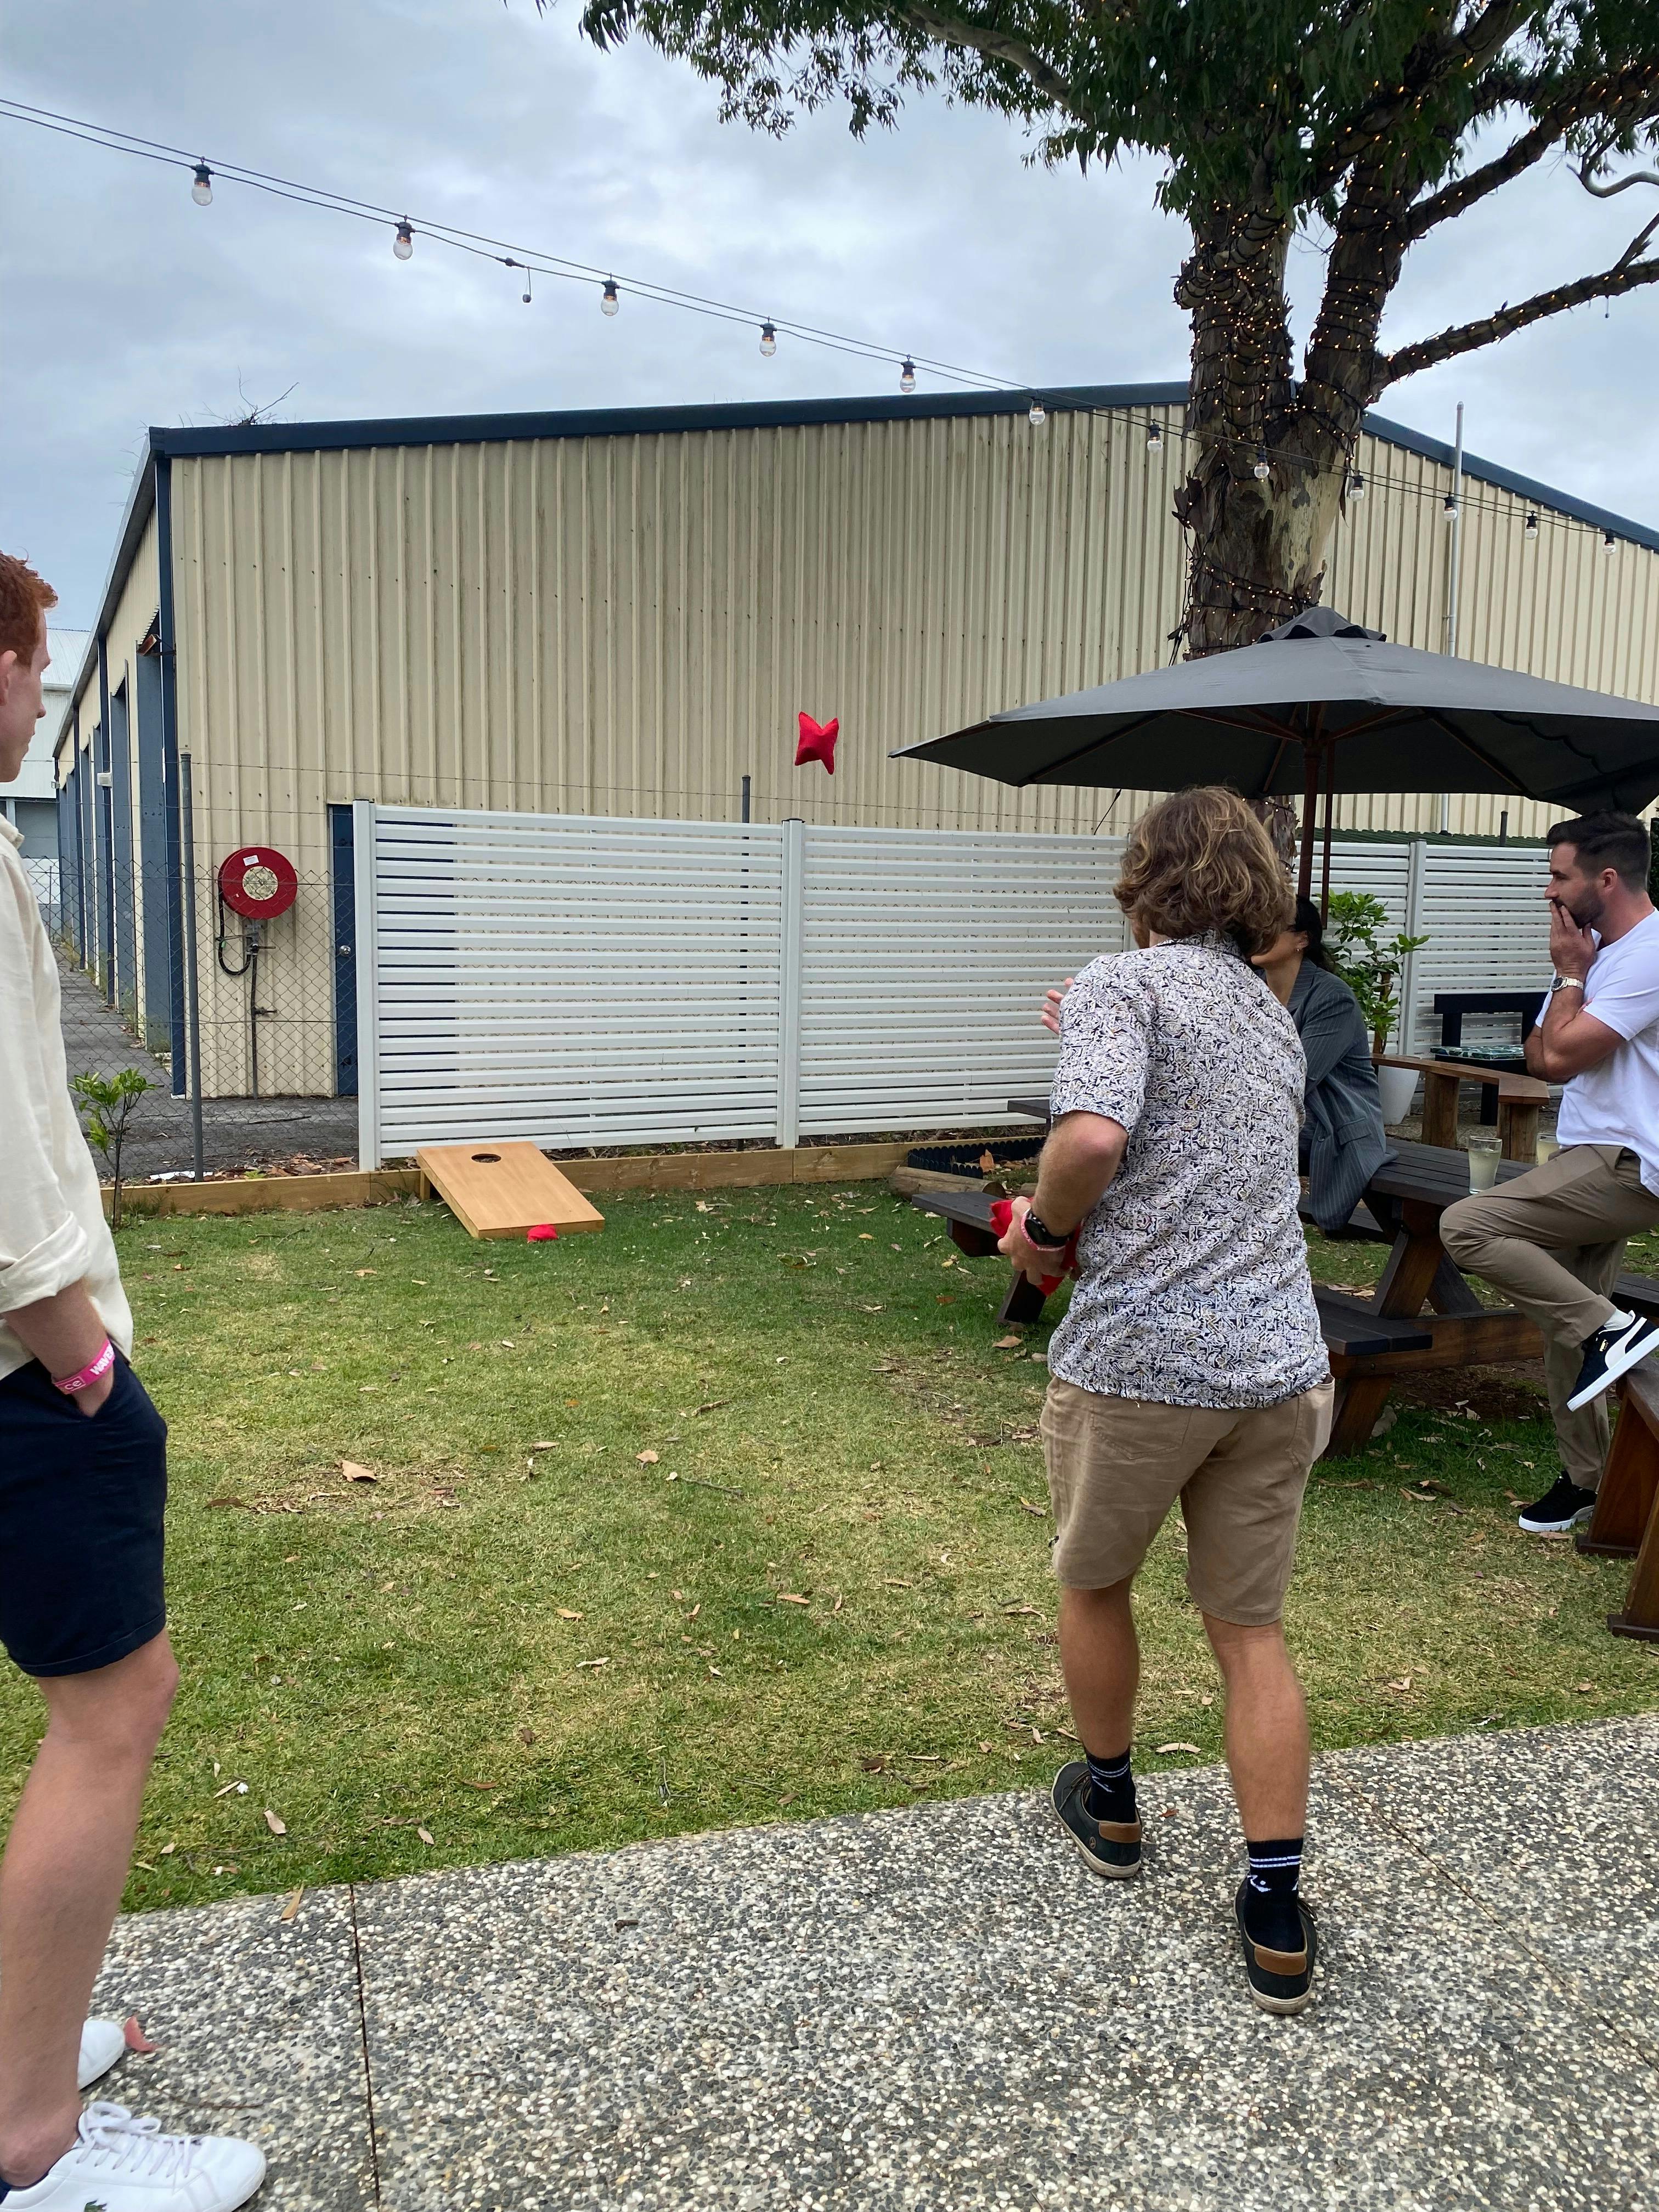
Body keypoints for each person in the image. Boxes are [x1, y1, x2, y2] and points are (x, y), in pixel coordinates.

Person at [0, 552, 266, 2211]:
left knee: (78, 1710)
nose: (36, 699)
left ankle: (18, 2048)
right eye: (30, 666)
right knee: (115, 1709)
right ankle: (33, 2144)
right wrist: (87, 1367)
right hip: (27, 1374)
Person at [1001, 786, 1334, 2015]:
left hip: (1141, 1369)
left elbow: (1092, 1144)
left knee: (1095, 1582)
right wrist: (1086, 1021)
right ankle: (1275, 1903)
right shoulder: (1268, 1012)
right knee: (1251, 1634)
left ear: (1145, 877)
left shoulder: (1120, 987)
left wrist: (1039, 1231)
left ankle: (1113, 1801)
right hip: (1279, 1369)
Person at [1441, 813, 1659, 1534]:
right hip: (1587, 1154)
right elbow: (1538, 1056)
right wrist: (1571, 972)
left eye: (1559, 875)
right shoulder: (1596, 954)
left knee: (1466, 1224)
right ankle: (1590, 1482)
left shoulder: (1649, 954)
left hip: (1628, 1163)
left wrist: (1570, 973)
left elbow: (1561, 1058)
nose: (1548, 891)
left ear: (1605, 878)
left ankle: (1618, 1333)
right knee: (1564, 1325)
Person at [1045, 895, 1388, 1237]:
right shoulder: (1248, 982)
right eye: (1259, 925)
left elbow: (1291, 1079)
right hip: (1270, 1118)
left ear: (1303, 939)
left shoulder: (1332, 997)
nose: (1262, 934)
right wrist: (1109, 1035)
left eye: (1275, 928)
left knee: (1174, 1141)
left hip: (1333, 1125)